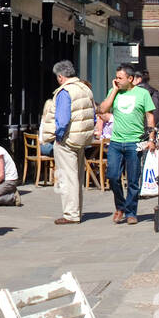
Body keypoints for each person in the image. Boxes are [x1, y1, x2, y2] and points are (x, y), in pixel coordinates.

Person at [97, 64, 156, 225]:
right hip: (116, 142)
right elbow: (102, 110)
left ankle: (131, 212)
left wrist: (151, 139)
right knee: (113, 176)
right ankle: (120, 206)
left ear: (130, 79)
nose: (116, 80)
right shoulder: (114, 92)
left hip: (134, 142)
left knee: (133, 180)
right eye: (116, 77)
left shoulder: (142, 94)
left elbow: (150, 117)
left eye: (120, 78)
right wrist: (114, 90)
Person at [50, 60, 96, 225]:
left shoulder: (65, 91)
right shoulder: (85, 89)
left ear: (61, 77)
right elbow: (93, 114)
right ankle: (77, 210)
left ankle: (71, 213)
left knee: (68, 178)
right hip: (82, 138)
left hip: (68, 139)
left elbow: (62, 119)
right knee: (77, 176)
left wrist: (58, 136)